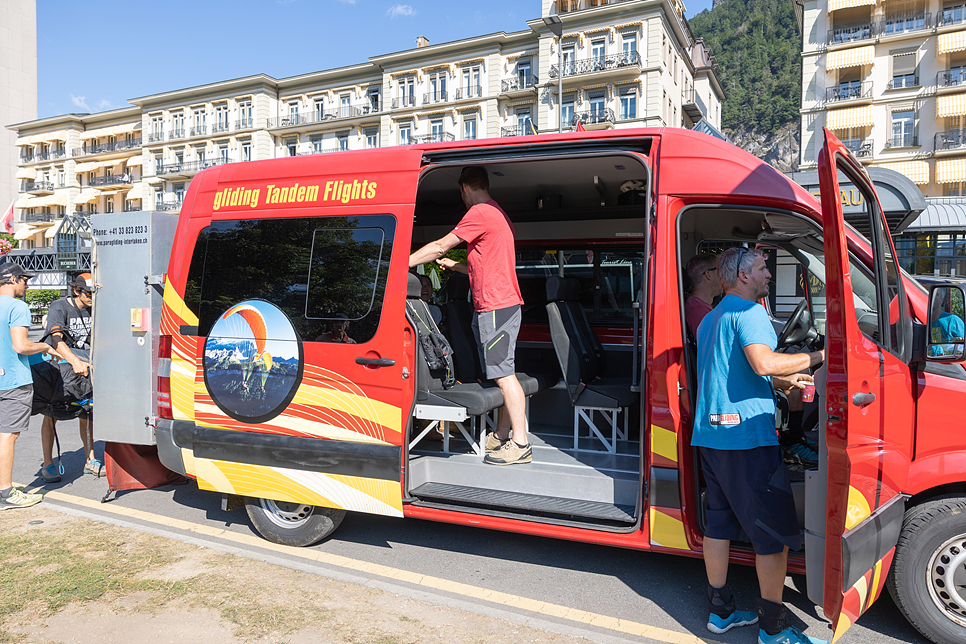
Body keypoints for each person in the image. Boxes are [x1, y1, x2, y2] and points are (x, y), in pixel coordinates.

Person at [692, 247, 827, 644]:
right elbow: (763, 363)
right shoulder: (750, 314)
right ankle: (774, 629)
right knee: (772, 536)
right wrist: (819, 357)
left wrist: (787, 382)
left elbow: (732, 372)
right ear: (743, 277)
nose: (768, 274)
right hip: (746, 439)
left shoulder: (712, 318)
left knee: (718, 525)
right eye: (762, 268)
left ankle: (721, 612)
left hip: (712, 436)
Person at [408, 165, 529, 466]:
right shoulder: (498, 214)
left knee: (504, 375)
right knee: (504, 372)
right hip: (503, 304)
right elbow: (485, 266)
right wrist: (456, 265)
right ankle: (502, 436)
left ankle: (521, 443)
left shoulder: (479, 212)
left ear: (464, 188)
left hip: (495, 306)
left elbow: (438, 246)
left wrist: (401, 262)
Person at [0, 263, 71, 509]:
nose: (27, 284)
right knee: (8, 435)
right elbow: (21, 346)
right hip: (13, 381)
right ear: (12, 279)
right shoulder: (17, 307)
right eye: (24, 279)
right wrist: (46, 347)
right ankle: (6, 492)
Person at [40, 272, 96, 482]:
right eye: (87, 293)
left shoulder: (94, 308)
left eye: (93, 293)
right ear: (76, 291)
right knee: (51, 414)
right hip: (61, 367)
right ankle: (48, 464)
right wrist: (74, 361)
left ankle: (90, 459)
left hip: (85, 367)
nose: (91, 297)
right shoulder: (59, 307)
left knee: (87, 412)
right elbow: (55, 339)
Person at [684, 253, 722, 339]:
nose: (723, 275)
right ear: (709, 275)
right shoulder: (698, 311)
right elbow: (712, 348)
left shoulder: (698, 306)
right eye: (720, 270)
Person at [928, 290, 965, 357]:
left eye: (936, 294)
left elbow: (962, 348)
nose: (932, 297)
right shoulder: (918, 321)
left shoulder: (952, 320)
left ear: (941, 300)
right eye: (930, 294)